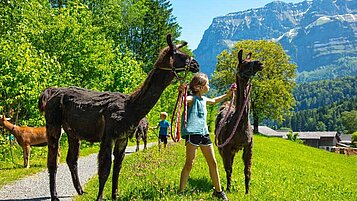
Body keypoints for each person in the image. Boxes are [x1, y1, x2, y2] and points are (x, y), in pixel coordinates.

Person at [178, 73, 234, 201]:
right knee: (189, 164)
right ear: (199, 87)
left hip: (204, 134)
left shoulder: (204, 99)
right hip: (193, 134)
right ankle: (180, 192)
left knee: (213, 163)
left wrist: (228, 94)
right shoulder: (192, 99)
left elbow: (214, 100)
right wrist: (181, 93)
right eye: (207, 84)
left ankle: (218, 192)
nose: (208, 86)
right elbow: (183, 100)